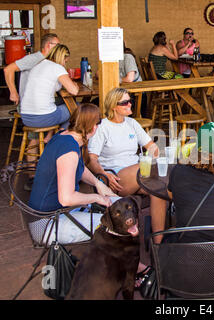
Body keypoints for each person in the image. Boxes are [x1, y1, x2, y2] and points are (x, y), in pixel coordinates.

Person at [87, 87, 167, 242]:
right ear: (113, 106)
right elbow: (91, 159)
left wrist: (159, 157)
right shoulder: (103, 127)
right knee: (146, 168)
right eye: (125, 102)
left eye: (131, 101)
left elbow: (151, 147)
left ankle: (158, 241)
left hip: (139, 174)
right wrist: (104, 174)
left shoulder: (132, 123)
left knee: (160, 190)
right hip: (116, 177)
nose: (130, 104)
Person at [29, 103, 115, 243]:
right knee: (117, 223)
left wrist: (97, 184)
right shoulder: (69, 150)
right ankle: (129, 264)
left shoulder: (63, 136)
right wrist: (97, 198)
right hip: (46, 225)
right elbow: (67, 198)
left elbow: (79, 168)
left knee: (113, 208)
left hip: (51, 215)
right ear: (94, 127)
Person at [4, 33, 60, 105]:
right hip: (30, 104)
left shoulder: (48, 60)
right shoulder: (34, 58)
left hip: (41, 100)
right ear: (48, 45)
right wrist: (13, 93)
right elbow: (8, 69)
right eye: (57, 45)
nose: (59, 48)